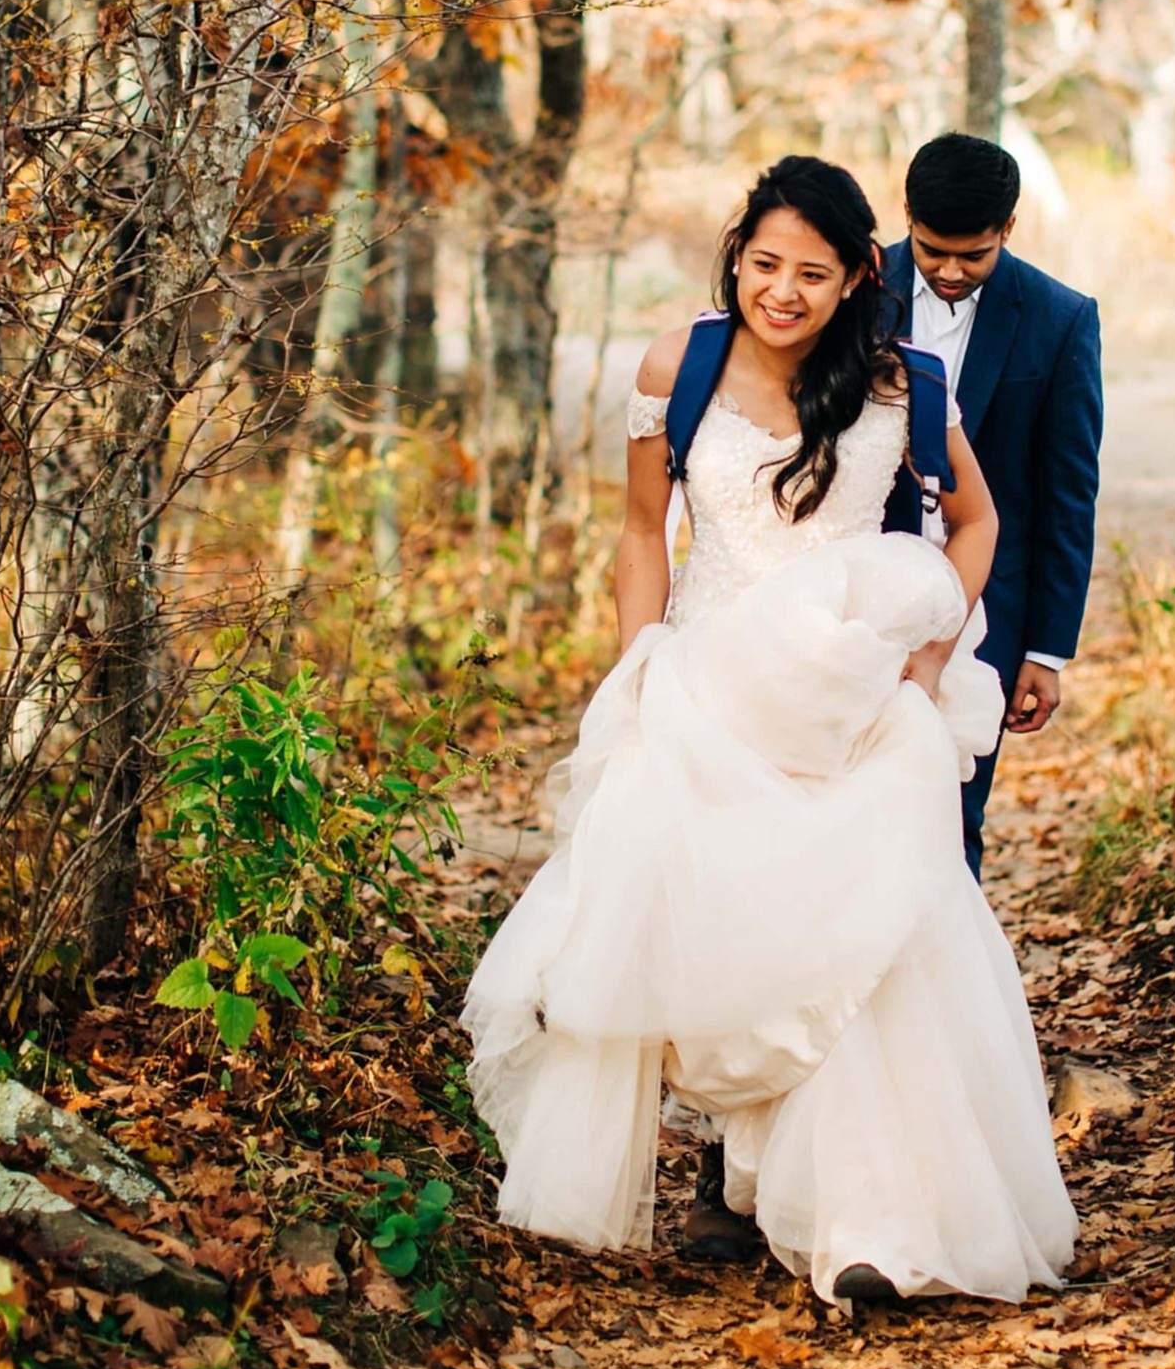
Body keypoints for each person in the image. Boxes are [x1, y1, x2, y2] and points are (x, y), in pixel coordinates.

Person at [461, 155, 1076, 1305]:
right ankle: (739, 1177)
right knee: (717, 933)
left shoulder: (906, 384)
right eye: (762, 264)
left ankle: (868, 1223)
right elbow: (644, 534)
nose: (780, 292)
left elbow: (978, 518)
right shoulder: (676, 366)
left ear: (856, 277)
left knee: (867, 944)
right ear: (735, 256)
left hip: (853, 707)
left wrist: (934, 638)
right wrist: (638, 665)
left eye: (810, 272)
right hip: (707, 690)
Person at [883, 133, 1102, 878]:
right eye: (931, 248)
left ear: (1009, 229)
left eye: (972, 256)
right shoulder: (850, 290)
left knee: (953, 809)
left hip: (986, 613)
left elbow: (1068, 492)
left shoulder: (1060, 319)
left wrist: (1046, 650)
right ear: (906, 214)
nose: (948, 271)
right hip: (852, 593)